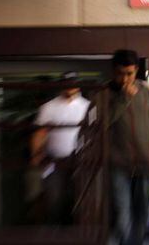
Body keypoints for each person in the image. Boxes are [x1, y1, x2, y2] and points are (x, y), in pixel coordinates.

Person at [88, 49, 149, 244]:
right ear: (114, 71)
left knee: (141, 214)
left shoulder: (147, 92)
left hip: (145, 162)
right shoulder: (103, 94)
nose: (125, 79)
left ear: (136, 70)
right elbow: (98, 126)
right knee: (122, 216)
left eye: (129, 74)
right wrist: (123, 98)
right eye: (121, 73)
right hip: (117, 164)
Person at [30, 71, 90, 225]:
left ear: (77, 85)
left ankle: (78, 235)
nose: (70, 87)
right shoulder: (48, 107)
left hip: (80, 161)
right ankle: (54, 235)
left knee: (81, 199)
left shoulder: (88, 106)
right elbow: (40, 133)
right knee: (53, 200)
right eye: (66, 83)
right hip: (54, 161)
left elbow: (93, 133)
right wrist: (35, 156)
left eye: (72, 83)